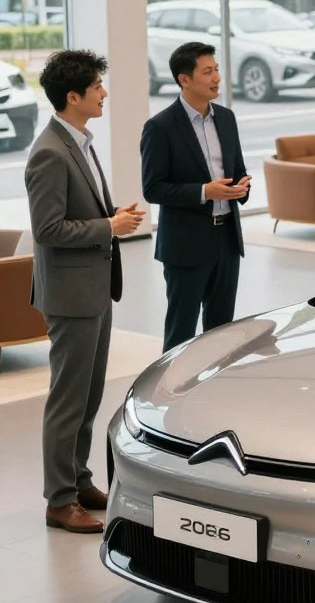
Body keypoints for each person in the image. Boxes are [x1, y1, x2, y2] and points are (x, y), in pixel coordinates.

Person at [25, 50, 144, 533]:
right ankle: (58, 500)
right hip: (71, 295)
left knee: (89, 395)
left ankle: (78, 478)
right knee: (68, 400)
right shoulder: (49, 152)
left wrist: (110, 221)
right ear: (72, 97)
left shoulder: (80, 141)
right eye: (97, 88)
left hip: (93, 288)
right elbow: (48, 228)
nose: (104, 94)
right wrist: (109, 226)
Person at [141, 43, 251, 353]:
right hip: (186, 246)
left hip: (227, 240)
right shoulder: (160, 127)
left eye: (217, 69)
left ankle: (214, 395)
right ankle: (168, 395)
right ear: (184, 79)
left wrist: (242, 188)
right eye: (208, 71)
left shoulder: (226, 118)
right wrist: (205, 192)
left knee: (221, 333)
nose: (216, 77)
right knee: (181, 333)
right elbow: (153, 188)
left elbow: (238, 169)